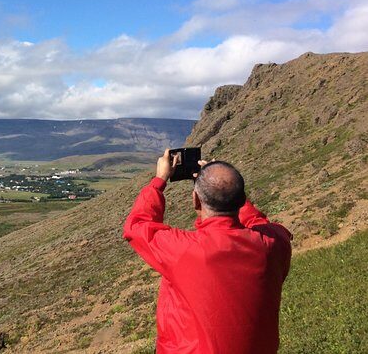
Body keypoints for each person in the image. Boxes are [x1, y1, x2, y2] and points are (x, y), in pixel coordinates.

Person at [123, 149, 292, 354]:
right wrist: (227, 190)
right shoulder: (274, 243)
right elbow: (259, 223)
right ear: (241, 200)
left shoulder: (185, 250)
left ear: (196, 199)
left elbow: (137, 225)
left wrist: (159, 180)